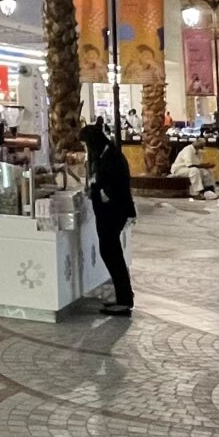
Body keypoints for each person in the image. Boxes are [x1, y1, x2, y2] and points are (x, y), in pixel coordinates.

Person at [80, 121, 135, 315]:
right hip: (111, 213)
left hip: (113, 213)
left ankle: (124, 299)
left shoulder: (111, 158)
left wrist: (94, 191)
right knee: (112, 253)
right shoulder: (107, 155)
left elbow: (111, 191)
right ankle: (123, 296)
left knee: (112, 254)